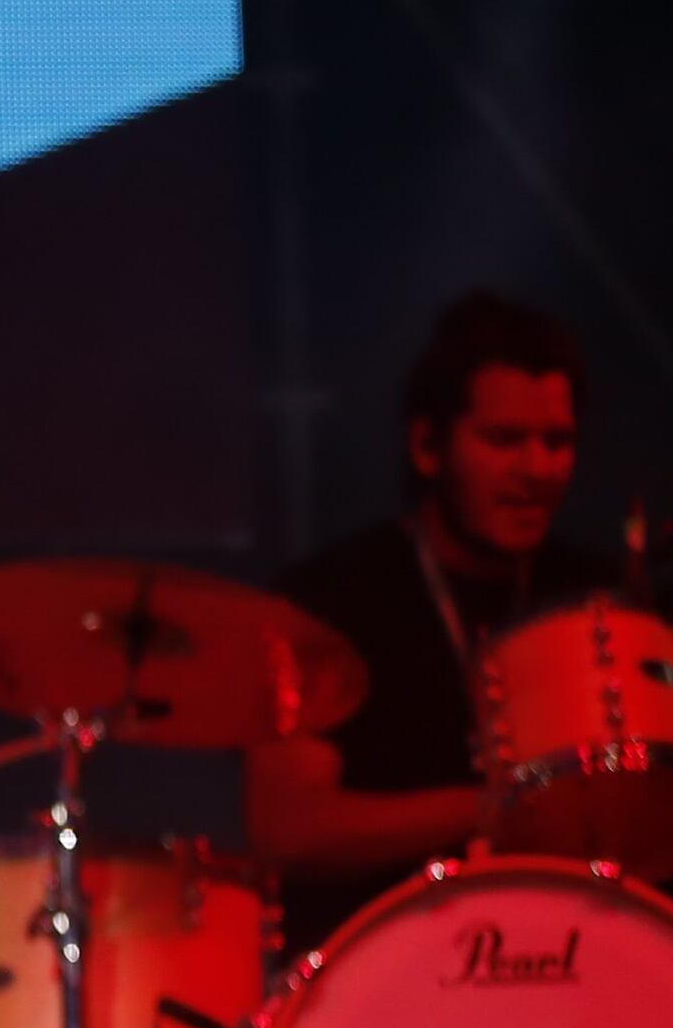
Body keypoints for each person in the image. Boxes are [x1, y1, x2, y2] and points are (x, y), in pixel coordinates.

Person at [252, 293, 614, 947]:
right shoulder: (328, 598)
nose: (537, 469)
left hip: (571, 956)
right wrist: (495, 809)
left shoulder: (600, 598)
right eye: (504, 439)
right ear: (427, 445)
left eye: (557, 442)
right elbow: (289, 826)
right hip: (377, 978)